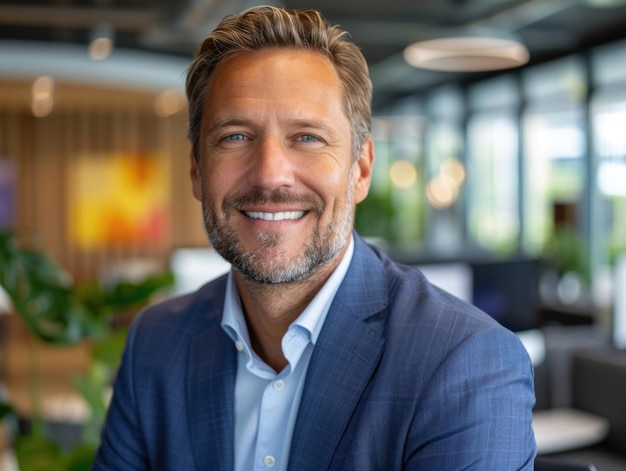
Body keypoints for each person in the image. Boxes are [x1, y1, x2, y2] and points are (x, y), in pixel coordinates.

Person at [92, 6, 536, 470]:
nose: (270, 173)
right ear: (196, 169)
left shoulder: (464, 363)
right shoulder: (156, 343)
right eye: (236, 137)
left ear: (361, 169)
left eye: (307, 137)